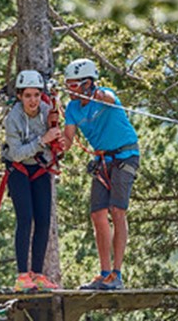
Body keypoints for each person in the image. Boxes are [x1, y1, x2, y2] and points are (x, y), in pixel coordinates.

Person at [62, 59, 140, 290]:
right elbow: (68, 140)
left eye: (74, 86)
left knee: (117, 211)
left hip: (125, 155)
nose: (69, 91)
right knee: (97, 215)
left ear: (88, 84)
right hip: (102, 160)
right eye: (67, 85)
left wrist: (96, 95)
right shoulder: (72, 108)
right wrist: (55, 142)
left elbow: (108, 98)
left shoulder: (104, 95)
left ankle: (116, 274)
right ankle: (104, 273)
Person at [2, 70, 65, 292]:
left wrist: (57, 144)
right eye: (28, 95)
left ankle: (38, 274)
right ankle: (22, 275)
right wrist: (42, 141)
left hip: (39, 168)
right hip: (18, 170)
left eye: (36, 95)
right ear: (20, 96)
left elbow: (55, 137)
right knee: (25, 219)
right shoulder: (13, 119)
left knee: (43, 221)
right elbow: (17, 153)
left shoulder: (48, 112)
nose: (33, 100)